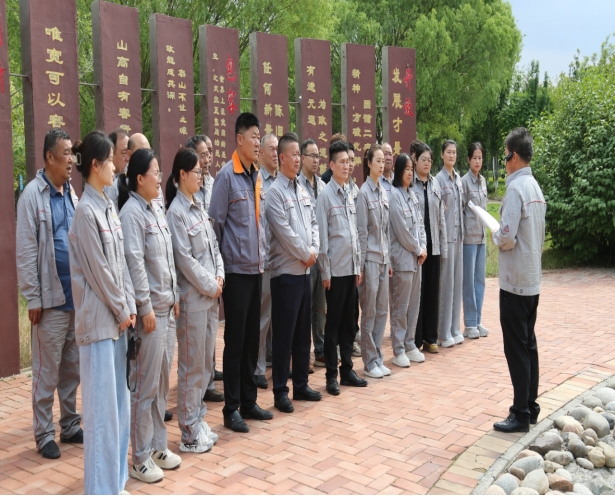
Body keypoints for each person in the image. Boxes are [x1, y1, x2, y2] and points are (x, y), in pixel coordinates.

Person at [68, 130, 136, 494]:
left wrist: (129, 308)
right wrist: (124, 309)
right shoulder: (85, 212)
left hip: (117, 323)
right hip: (99, 327)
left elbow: (121, 267)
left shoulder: (108, 205)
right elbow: (100, 273)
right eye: (110, 160)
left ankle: (116, 483)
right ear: (95, 166)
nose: (116, 165)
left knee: (120, 411)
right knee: (100, 416)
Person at [16, 129, 82, 460]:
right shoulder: (32, 195)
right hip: (51, 302)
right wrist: (34, 297)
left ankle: (70, 425)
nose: (71, 160)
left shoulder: (72, 193)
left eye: (72, 153)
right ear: (49, 157)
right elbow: (26, 251)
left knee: (72, 369)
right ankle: (44, 434)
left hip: (75, 299)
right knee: (46, 372)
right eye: (65, 153)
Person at [117, 149, 181, 482]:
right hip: (151, 314)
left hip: (167, 309)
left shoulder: (156, 207)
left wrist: (176, 296)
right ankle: (139, 457)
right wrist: (145, 307)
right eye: (155, 172)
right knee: (143, 387)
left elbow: (167, 259)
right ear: (139, 178)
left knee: (159, 385)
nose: (160, 177)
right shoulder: (131, 214)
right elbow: (135, 265)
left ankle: (157, 446)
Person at [209, 112, 273, 432]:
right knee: (235, 342)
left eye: (260, 137)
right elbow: (214, 227)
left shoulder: (256, 176)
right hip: (235, 273)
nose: (258, 142)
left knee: (251, 340)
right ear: (239, 139)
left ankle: (249, 401)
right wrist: (220, 270)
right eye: (254, 137)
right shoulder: (226, 177)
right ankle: (231, 408)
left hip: (256, 269)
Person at [166, 148, 224, 451]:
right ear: (182, 175)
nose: (201, 176)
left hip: (210, 298)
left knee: (204, 365)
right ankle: (188, 432)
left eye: (201, 172)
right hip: (194, 301)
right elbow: (185, 261)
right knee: (191, 367)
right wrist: (211, 285)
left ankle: (198, 419)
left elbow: (214, 247)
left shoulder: (199, 206)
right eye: (196, 172)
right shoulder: (176, 213)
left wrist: (220, 276)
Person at [492, 128, 546, 433]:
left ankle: (520, 413)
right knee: (529, 345)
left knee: (516, 348)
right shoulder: (535, 187)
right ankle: (531, 406)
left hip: (514, 282)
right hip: (532, 279)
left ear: (513, 156)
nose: (505, 160)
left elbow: (507, 236)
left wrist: (495, 233)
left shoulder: (516, 189)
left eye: (505, 155)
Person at [266, 132, 321, 413]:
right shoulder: (274, 193)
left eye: (300, 154)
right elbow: (284, 233)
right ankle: (280, 391)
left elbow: (314, 223)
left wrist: (314, 249)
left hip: (305, 271)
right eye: (294, 154)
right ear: (282, 158)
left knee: (302, 333)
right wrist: (305, 253)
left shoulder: (302, 189)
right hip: (286, 274)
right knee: (284, 336)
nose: (298, 159)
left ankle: (301, 384)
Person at [316, 140, 367, 396]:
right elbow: (323, 239)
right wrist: (325, 272)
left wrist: (358, 266)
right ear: (331, 165)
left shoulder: (351, 192)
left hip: (351, 270)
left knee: (349, 323)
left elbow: (355, 234)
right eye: (342, 162)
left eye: (349, 162)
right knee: (333, 326)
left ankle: (347, 370)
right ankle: (331, 376)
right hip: (335, 273)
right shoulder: (325, 196)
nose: (347, 166)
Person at [185, 135, 224, 402]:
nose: (208, 158)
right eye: (202, 154)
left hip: (215, 260)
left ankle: (210, 373)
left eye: (210, 152)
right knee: (198, 338)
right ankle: (203, 385)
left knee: (211, 330)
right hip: (199, 271)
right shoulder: (187, 194)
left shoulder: (214, 182)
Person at [388, 154, 427, 368]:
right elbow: (401, 231)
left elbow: (420, 225)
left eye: (412, 169)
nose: (410, 173)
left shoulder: (412, 195)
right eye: (407, 169)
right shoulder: (394, 196)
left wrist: (423, 248)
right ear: (399, 171)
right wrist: (417, 248)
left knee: (414, 304)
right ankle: (398, 348)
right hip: (403, 260)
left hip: (416, 259)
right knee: (400, 306)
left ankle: (410, 343)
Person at [356, 144, 391, 379]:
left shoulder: (384, 192)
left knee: (382, 311)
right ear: (368, 164)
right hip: (369, 259)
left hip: (383, 260)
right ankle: (369, 362)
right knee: (369, 311)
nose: (381, 164)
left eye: (383, 160)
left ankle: (377, 356)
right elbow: (361, 233)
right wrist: (360, 266)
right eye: (377, 160)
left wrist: (389, 260)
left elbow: (386, 232)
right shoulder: (363, 194)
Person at [409, 141, 447, 354]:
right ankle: (416, 339)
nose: (427, 163)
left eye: (429, 160)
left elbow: (441, 219)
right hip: (417, 249)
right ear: (415, 160)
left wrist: (443, 248)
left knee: (433, 292)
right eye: (423, 159)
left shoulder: (435, 185)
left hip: (434, 247)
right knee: (418, 294)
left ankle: (431, 338)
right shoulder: (410, 184)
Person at [298, 139, 327, 368]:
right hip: (305, 256)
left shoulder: (323, 187)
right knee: (305, 307)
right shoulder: (296, 185)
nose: (316, 160)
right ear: (302, 158)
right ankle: (303, 353)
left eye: (318, 156)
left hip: (321, 254)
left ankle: (321, 349)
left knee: (321, 305)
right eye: (312, 156)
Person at [254, 133, 278, 390]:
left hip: (282, 260)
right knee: (262, 318)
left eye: (276, 149)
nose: (274, 153)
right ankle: (258, 367)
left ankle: (277, 362)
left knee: (278, 317)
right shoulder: (257, 181)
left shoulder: (283, 181)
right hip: (264, 259)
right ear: (260, 153)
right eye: (270, 149)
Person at [435, 140, 464, 348]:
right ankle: (443, 332)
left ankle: (454, 328)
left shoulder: (458, 179)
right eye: (448, 152)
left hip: (459, 237)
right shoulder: (439, 180)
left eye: (454, 152)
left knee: (457, 284)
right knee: (446, 285)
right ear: (442, 155)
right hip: (446, 239)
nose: (452, 155)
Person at [461, 143, 489, 339]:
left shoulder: (483, 181)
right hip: (468, 239)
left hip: (481, 237)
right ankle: (469, 324)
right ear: (468, 160)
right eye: (475, 158)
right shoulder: (464, 182)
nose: (477, 161)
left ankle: (478, 320)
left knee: (480, 281)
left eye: (480, 157)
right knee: (469, 283)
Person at [186, 135, 215, 212]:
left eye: (208, 154)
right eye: (202, 155)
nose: (207, 160)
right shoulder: (185, 188)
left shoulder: (213, 183)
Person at [105, 129, 130, 211]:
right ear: (111, 153)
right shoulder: (104, 184)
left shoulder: (133, 180)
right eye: (124, 153)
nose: (128, 158)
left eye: (129, 153)